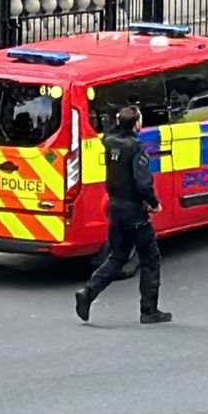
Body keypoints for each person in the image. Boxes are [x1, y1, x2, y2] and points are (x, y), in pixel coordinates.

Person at [75, 107, 171, 325]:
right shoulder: (136, 147)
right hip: (134, 212)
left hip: (115, 209)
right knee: (150, 259)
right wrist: (154, 203)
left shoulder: (109, 140)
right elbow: (143, 182)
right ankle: (149, 310)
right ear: (137, 124)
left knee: (118, 257)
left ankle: (88, 292)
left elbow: (112, 130)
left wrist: (119, 119)